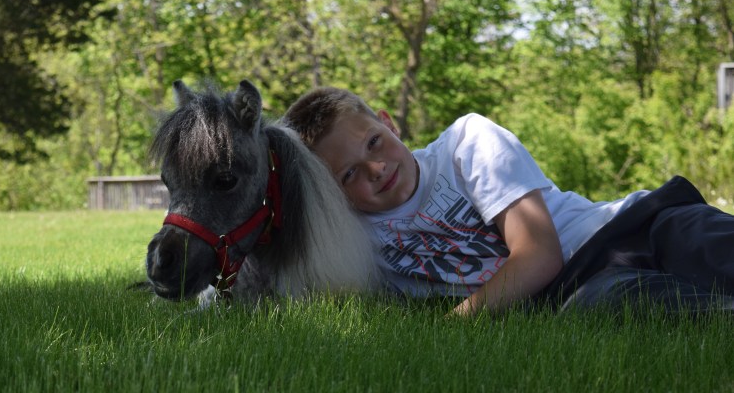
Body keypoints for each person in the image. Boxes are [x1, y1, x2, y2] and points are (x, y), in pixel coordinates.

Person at [282, 87, 734, 316]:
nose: (375, 169)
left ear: (388, 123)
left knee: (706, 243)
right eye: (348, 174)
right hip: (583, 290)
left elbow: (538, 254)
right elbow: (271, 268)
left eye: (374, 143)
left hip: (632, 228)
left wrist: (459, 323)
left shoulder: (466, 143)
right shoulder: (359, 246)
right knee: (605, 304)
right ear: (333, 197)